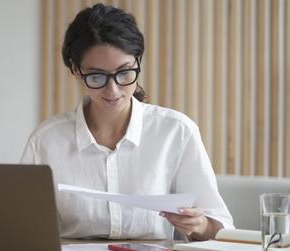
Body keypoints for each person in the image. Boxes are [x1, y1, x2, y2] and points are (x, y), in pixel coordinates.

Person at [20, 3, 233, 240]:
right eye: (97, 76)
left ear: (137, 62)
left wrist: (198, 225)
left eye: (124, 72)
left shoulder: (176, 132)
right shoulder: (47, 140)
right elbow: (22, 229)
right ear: (75, 70)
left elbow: (221, 230)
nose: (113, 90)